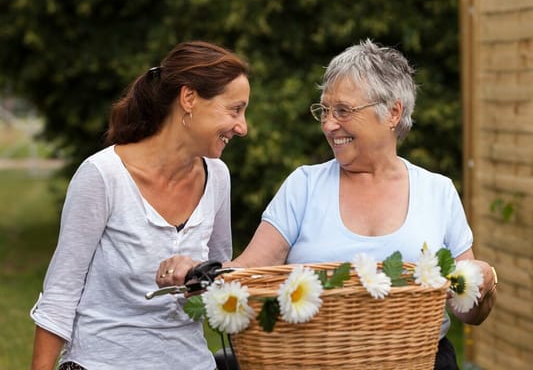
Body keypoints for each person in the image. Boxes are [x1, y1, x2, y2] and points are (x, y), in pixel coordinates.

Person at [157, 40, 497, 370]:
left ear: (393, 112)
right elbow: (249, 273)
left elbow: (467, 309)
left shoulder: (437, 192)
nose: (329, 124)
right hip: (313, 361)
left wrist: (484, 283)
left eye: (343, 111)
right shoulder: (304, 186)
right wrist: (200, 273)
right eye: (325, 109)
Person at [30, 41, 250, 370]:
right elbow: (61, 293)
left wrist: (196, 277)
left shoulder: (217, 176)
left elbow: (219, 287)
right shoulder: (103, 175)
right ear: (189, 98)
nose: (242, 127)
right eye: (234, 110)